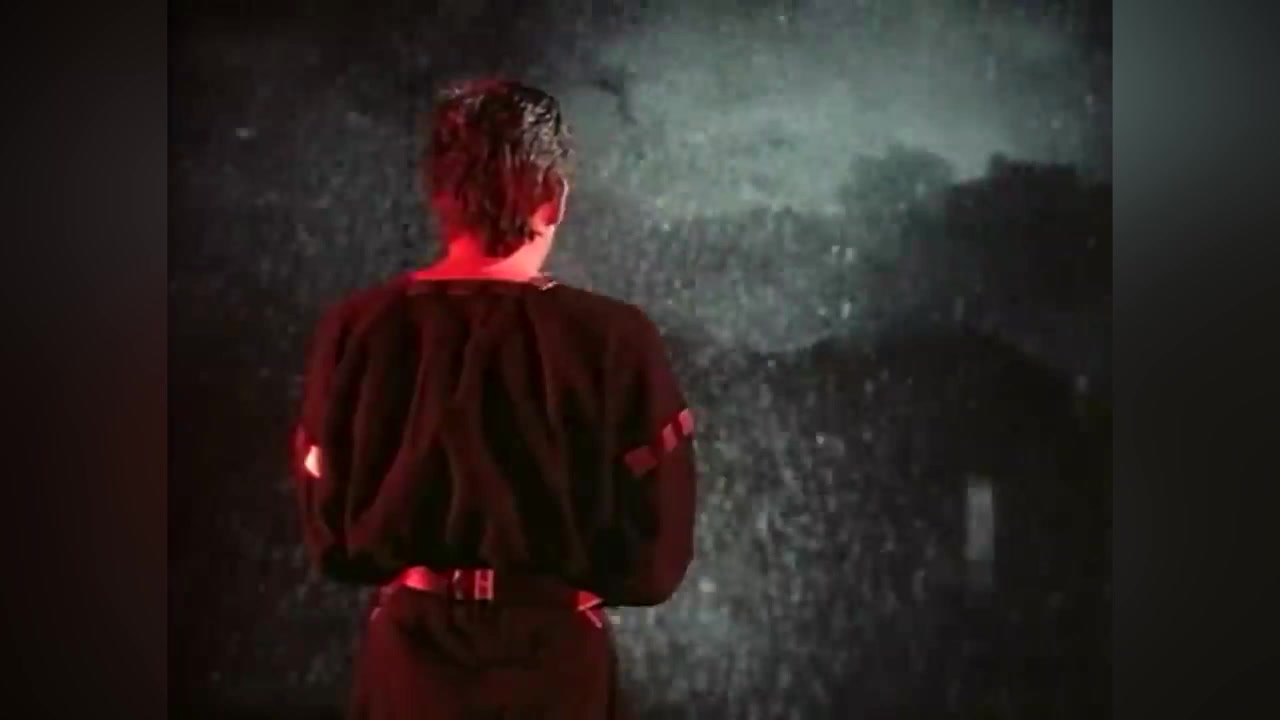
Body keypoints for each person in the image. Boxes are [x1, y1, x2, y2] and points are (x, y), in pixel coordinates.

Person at [290, 79, 697, 720]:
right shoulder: (613, 337)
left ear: (438, 194)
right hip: (555, 669)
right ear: (554, 198)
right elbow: (656, 551)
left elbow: (329, 527)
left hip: (410, 667)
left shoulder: (358, 328)